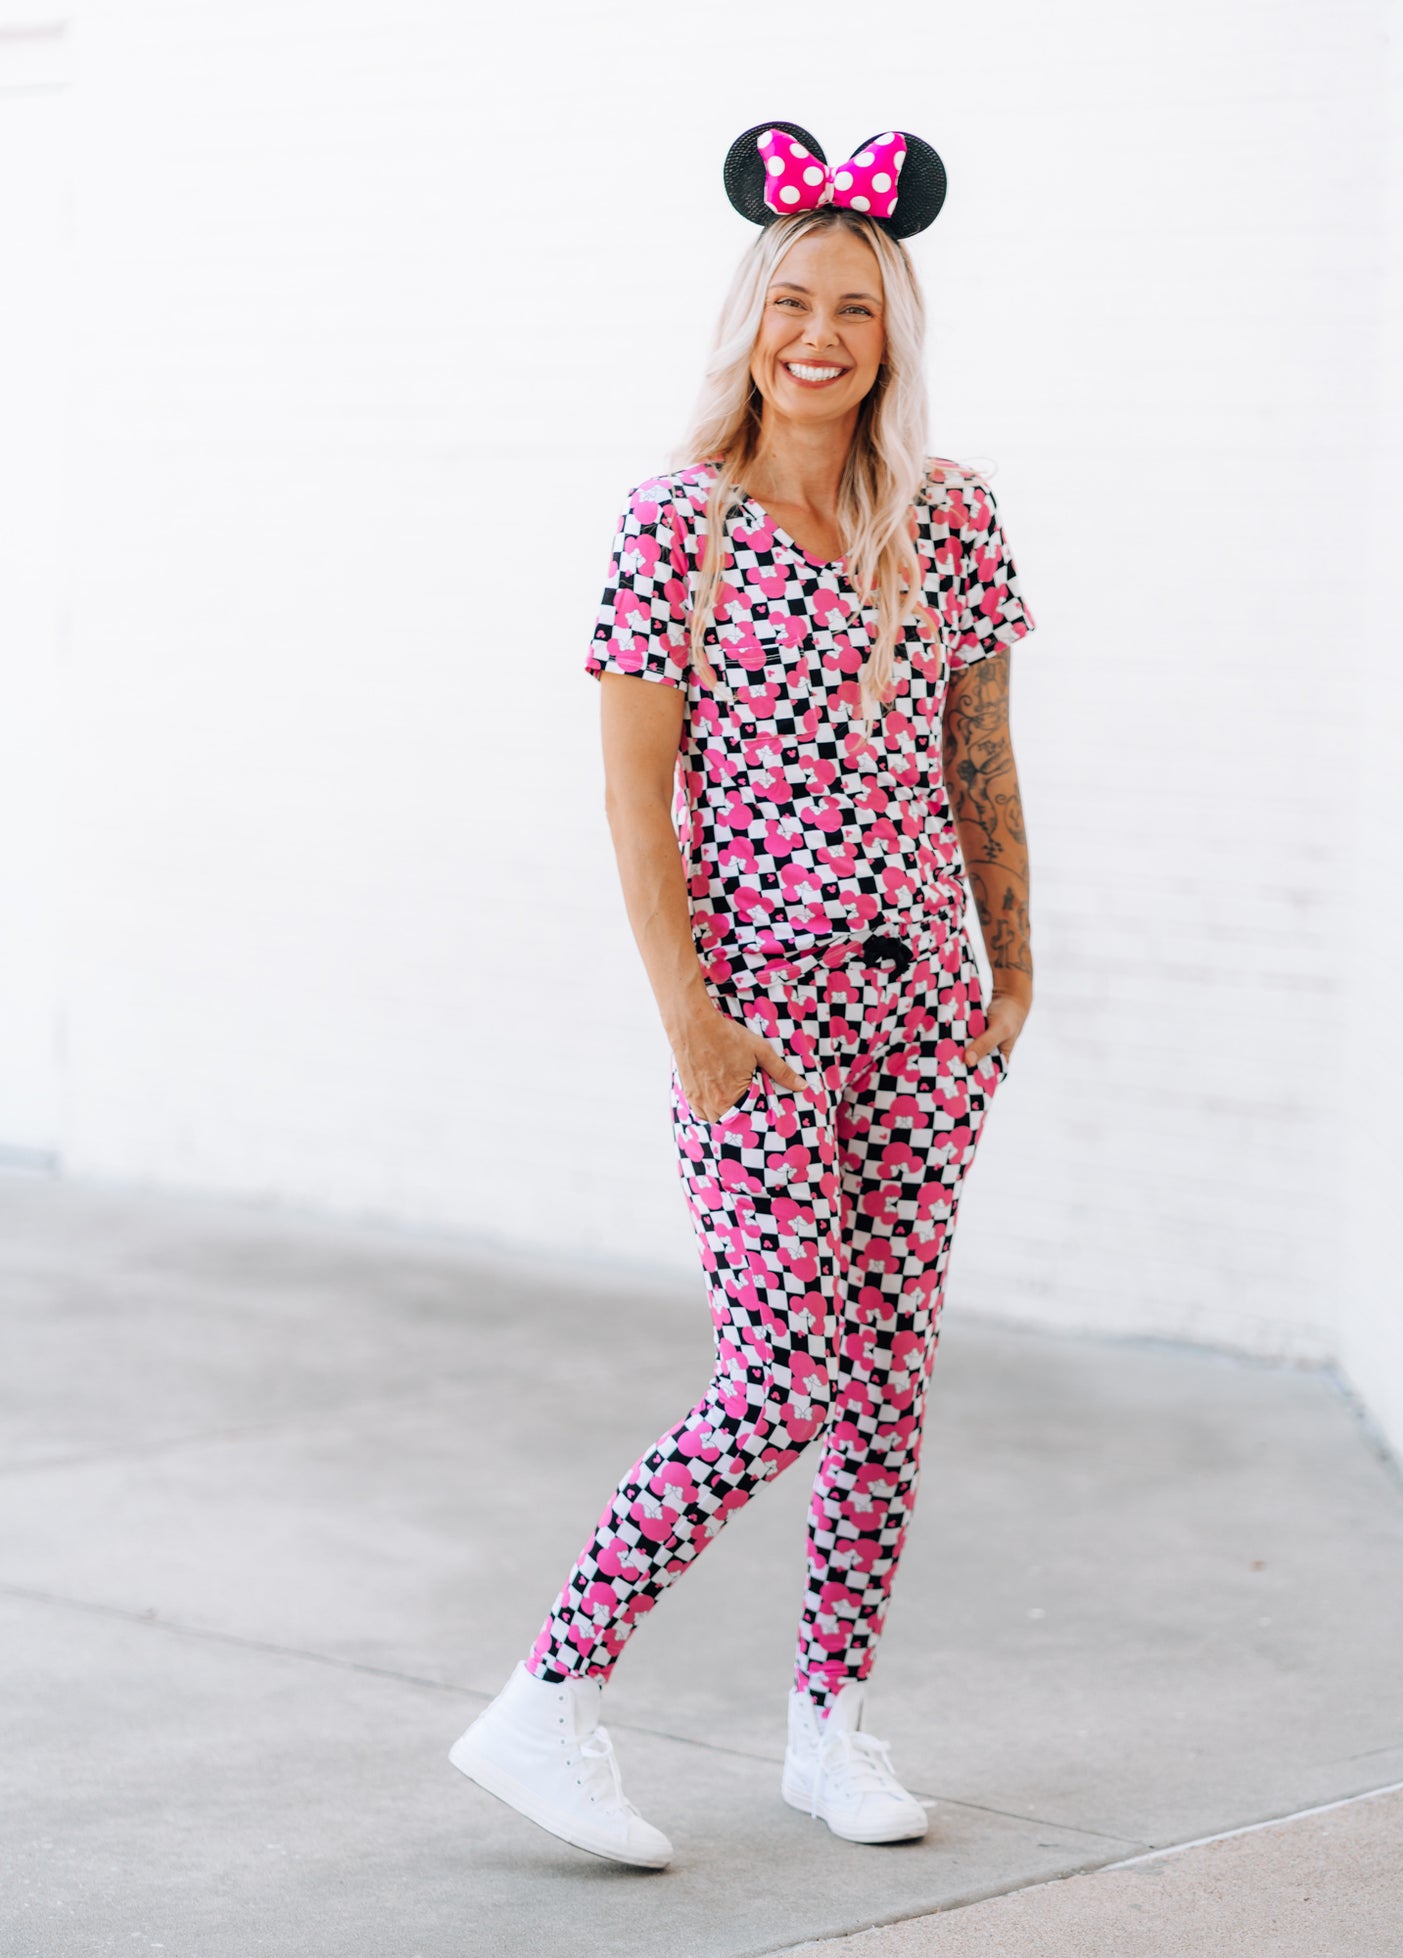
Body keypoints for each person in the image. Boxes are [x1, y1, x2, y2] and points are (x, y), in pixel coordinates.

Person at [448, 120, 1038, 1871]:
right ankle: (546, 1700)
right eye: (793, 302)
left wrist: (1014, 968)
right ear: (750, 320)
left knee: (888, 1380)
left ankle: (828, 1727)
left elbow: (984, 756)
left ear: (892, 332)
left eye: (855, 307)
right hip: (758, 1015)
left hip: (925, 1009)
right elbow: (637, 802)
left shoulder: (951, 517)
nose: (821, 336)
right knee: (781, 1373)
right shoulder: (676, 527)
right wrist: (690, 1023)